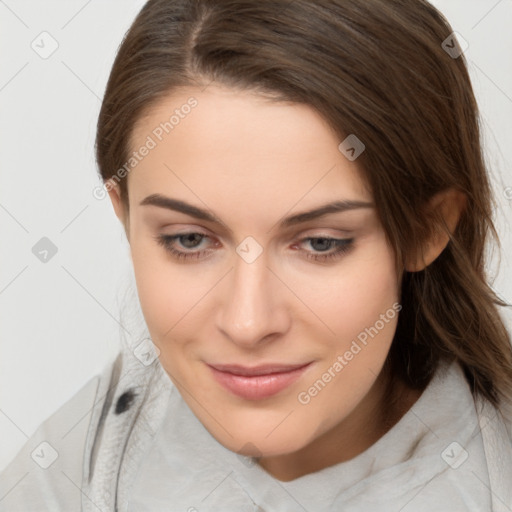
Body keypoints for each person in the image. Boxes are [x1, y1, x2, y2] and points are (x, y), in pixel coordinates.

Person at [1, 0, 512, 510]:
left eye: (320, 243)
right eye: (189, 240)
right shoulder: (69, 473)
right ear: (126, 215)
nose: (248, 323)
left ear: (428, 229)